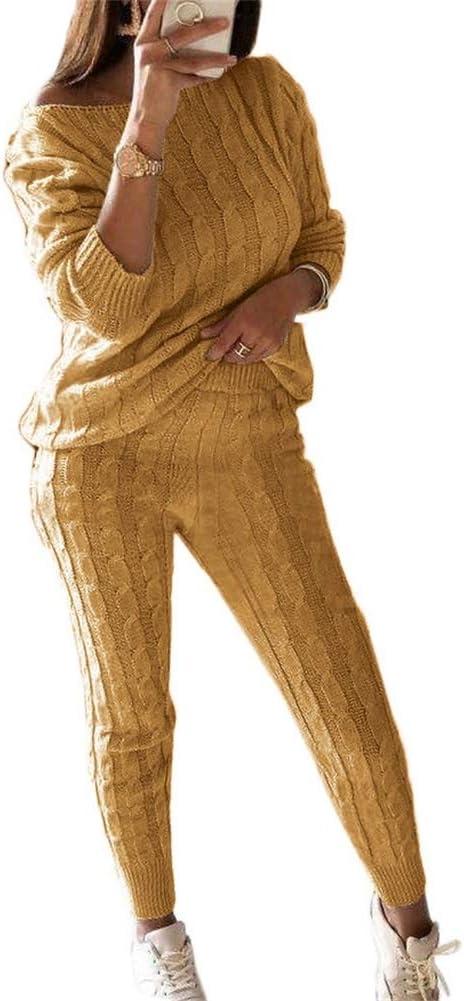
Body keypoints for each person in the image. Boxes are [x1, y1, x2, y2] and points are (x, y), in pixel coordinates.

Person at [3, 1, 460, 998]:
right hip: (100, 457)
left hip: (250, 439)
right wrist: (148, 120)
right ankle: (160, 944)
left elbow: (321, 235)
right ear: (130, 5)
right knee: (132, 716)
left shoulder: (267, 91)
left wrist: (287, 294)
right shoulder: (51, 129)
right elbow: (106, 304)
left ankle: (409, 935)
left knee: (342, 690)